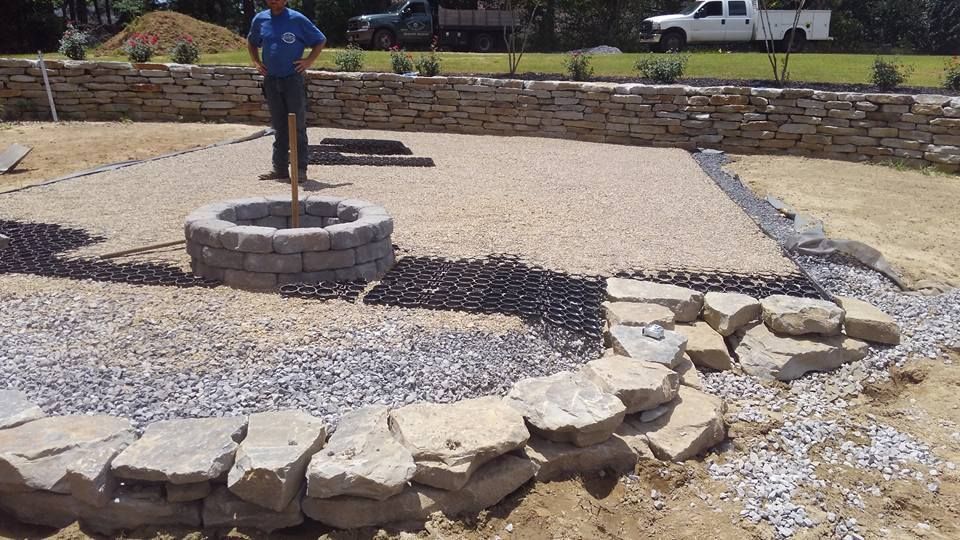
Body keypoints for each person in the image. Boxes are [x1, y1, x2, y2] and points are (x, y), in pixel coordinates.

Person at [247, 0, 326, 182]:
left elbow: (320, 40)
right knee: (279, 126)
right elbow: (251, 42)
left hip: (293, 80)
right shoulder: (260, 19)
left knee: (297, 125)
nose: (275, 1)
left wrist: (308, 61)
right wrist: (256, 62)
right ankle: (280, 169)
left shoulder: (297, 19)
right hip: (272, 80)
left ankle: (300, 170)